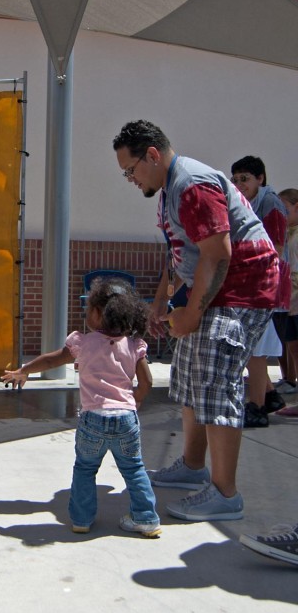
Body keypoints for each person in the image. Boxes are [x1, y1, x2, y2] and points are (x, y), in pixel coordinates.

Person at [113, 120, 278, 522]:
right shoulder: (170, 189)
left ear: (152, 155)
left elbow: (218, 254)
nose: (129, 179)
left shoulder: (191, 184)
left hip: (242, 290)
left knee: (217, 382)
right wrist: (160, 304)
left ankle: (225, 494)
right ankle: (191, 466)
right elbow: (180, 253)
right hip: (215, 290)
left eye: (130, 170)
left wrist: (191, 312)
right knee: (189, 376)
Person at [1, 277, 161, 538]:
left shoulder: (82, 343)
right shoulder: (134, 346)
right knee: (133, 469)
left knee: (85, 469)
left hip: (93, 419)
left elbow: (52, 359)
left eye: (88, 309)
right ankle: (146, 519)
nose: (86, 313)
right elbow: (147, 382)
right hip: (126, 419)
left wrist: (24, 370)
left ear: (98, 314)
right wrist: (136, 399)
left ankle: (82, 519)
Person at [230, 156, 290, 426]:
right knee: (252, 347)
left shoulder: (270, 203)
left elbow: (276, 248)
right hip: (251, 285)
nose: (239, 184)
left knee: (254, 349)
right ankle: (269, 394)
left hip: (264, 286)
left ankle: (256, 407)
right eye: (236, 179)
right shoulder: (248, 202)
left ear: (260, 179)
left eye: (245, 179)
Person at [275, 189, 298, 416]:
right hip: (289, 301)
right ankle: (290, 380)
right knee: (291, 346)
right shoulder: (287, 232)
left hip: (296, 299)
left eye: (286, 209)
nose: (282, 213)